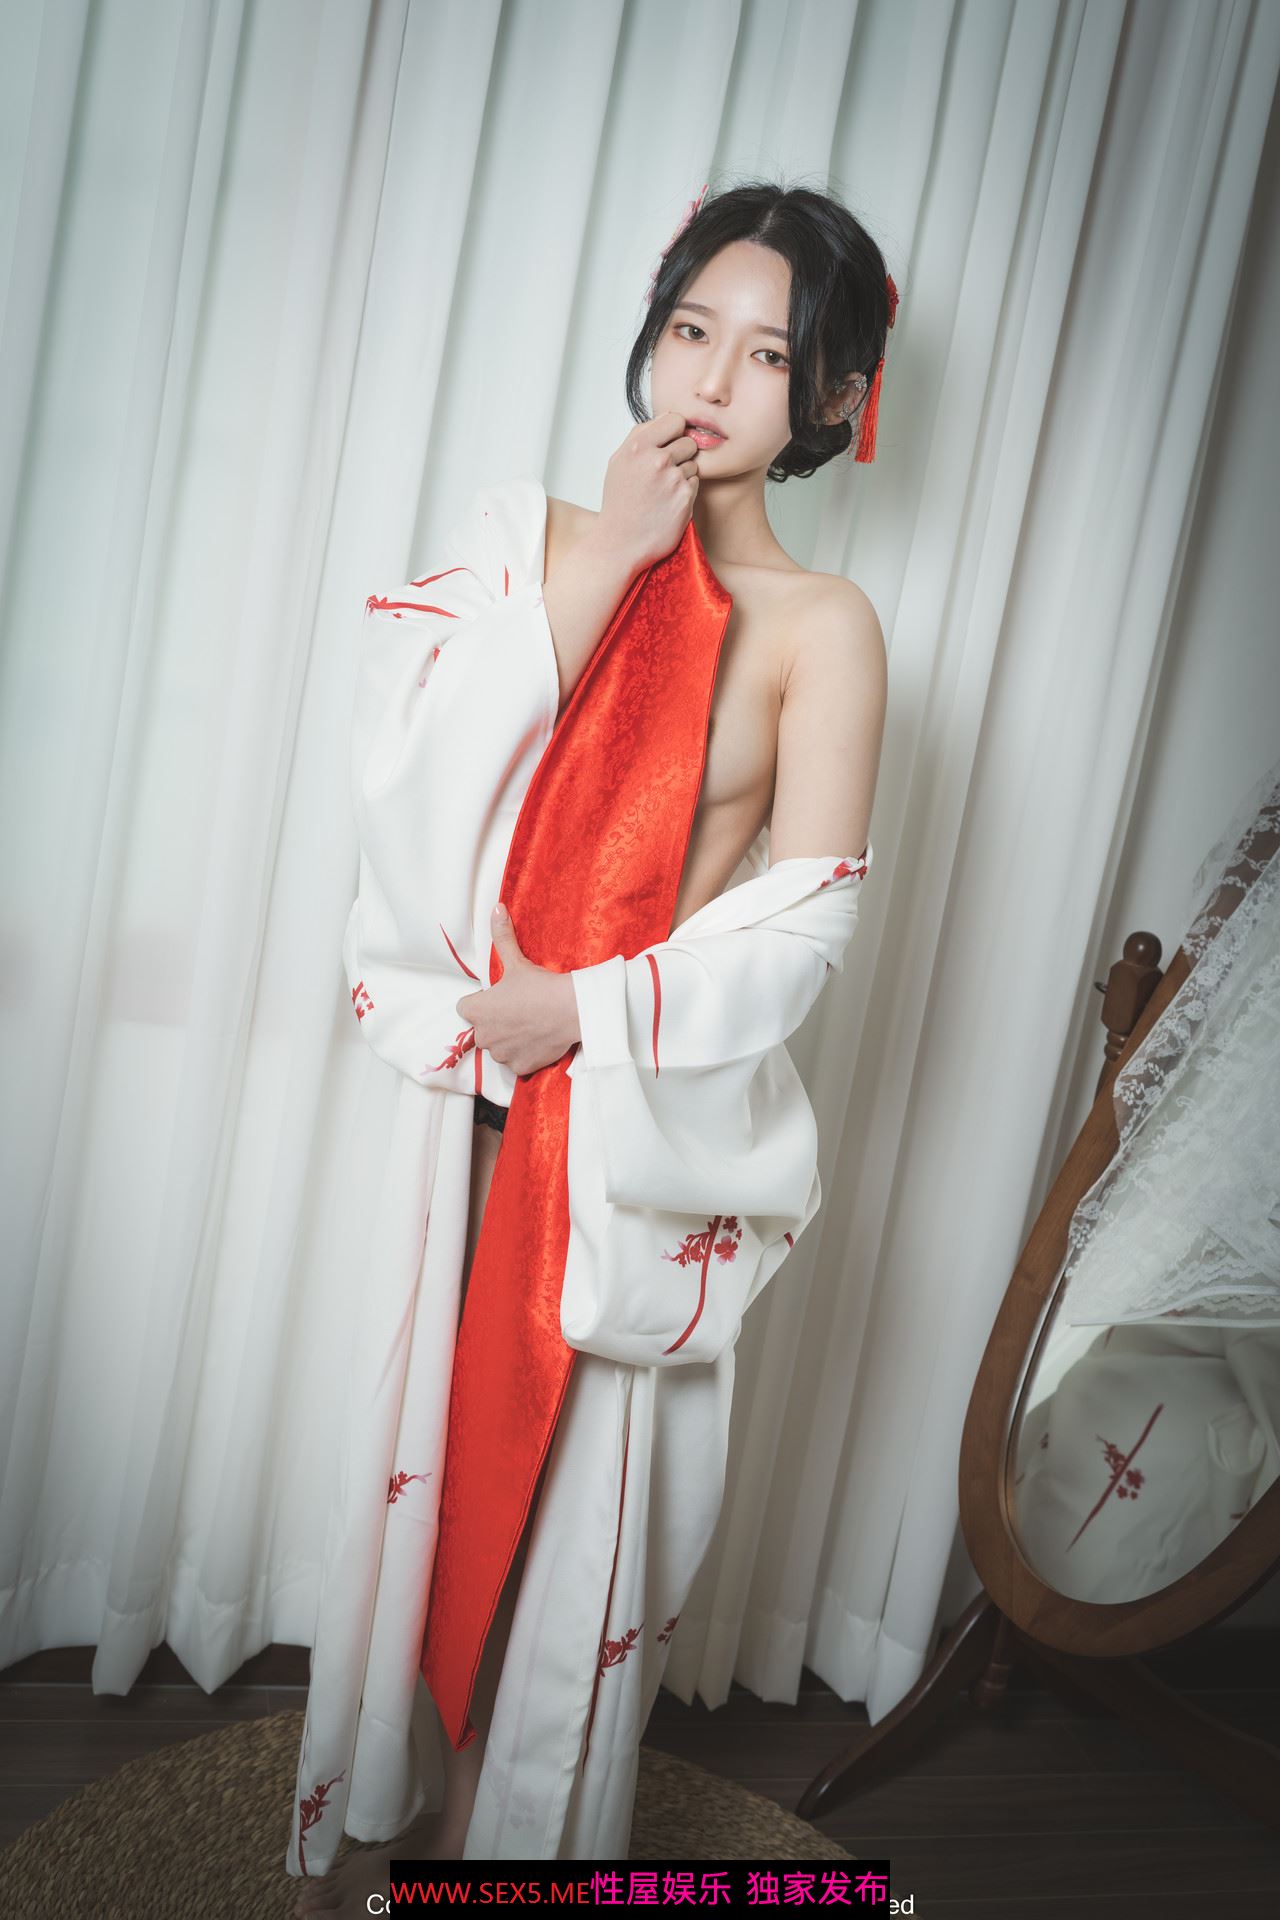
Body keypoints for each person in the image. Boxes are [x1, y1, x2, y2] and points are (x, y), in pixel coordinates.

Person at [291, 177, 891, 1914]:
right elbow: (407, 779)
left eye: (766, 353)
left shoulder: (823, 630)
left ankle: (507, 1860)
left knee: (577, 1541)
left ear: (833, 397)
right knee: (420, 1496)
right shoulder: (526, 537)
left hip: (623, 1135)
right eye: (692, 328)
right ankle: (376, 1819)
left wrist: (592, 1009)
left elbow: (807, 922)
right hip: (465, 1116)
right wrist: (619, 557)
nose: (711, 378)